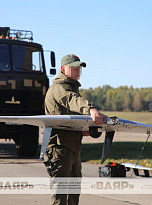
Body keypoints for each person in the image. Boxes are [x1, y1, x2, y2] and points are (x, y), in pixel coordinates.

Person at [44, 54, 107, 205]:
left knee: (74, 194)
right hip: (59, 148)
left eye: (79, 67)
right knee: (60, 196)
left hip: (73, 148)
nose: (78, 70)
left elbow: (72, 117)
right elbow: (72, 100)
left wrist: (85, 129)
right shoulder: (59, 88)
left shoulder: (71, 87)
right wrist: (90, 109)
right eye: (73, 67)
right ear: (63, 69)